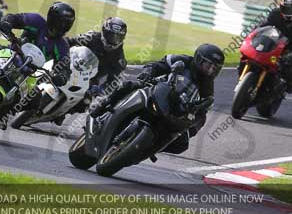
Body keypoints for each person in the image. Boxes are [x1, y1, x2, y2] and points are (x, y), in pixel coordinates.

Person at [90, 44, 225, 154]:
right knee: (130, 85)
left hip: (174, 110)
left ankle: (146, 148)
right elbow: (157, 65)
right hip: (157, 89)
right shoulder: (183, 60)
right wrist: (148, 73)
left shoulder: (208, 88)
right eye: (209, 65)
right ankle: (103, 102)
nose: (211, 71)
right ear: (198, 59)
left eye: (215, 68)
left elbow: (202, 114)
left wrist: (192, 130)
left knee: (182, 144)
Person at [0, 1, 77, 91]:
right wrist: (7, 22)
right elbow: (14, 18)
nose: (63, 25)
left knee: (35, 101)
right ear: (53, 17)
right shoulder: (36, 21)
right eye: (62, 21)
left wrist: (61, 76)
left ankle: (3, 113)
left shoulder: (62, 46)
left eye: (67, 22)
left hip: (29, 73)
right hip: (12, 53)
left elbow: (65, 66)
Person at [67, 17, 128, 94]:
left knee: (86, 102)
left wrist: (99, 89)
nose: (113, 40)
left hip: (88, 82)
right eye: (110, 35)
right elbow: (69, 41)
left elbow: (113, 82)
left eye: (117, 37)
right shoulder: (91, 36)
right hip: (71, 67)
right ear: (103, 31)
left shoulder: (119, 60)